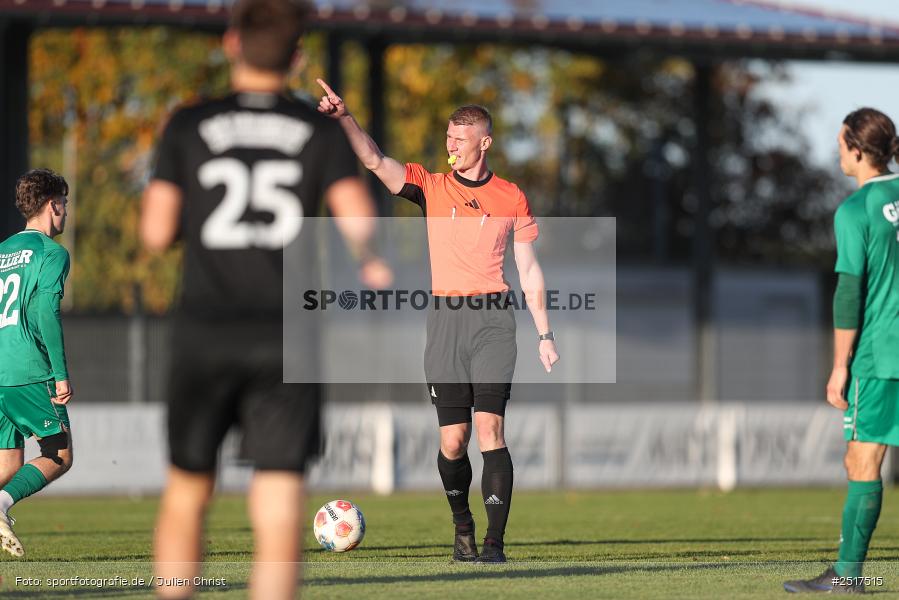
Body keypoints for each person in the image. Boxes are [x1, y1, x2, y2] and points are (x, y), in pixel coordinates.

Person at [141, 1, 386, 598]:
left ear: (231, 43)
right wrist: (370, 261)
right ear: (298, 55)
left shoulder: (188, 124)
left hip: (205, 330)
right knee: (277, 506)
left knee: (187, 495)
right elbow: (359, 220)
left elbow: (154, 232)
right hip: (286, 336)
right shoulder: (318, 131)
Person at [316, 79, 560, 563]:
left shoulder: (512, 196)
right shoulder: (432, 187)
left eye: (460, 139)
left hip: (494, 320)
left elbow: (529, 268)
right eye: (447, 138)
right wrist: (345, 117)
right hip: (445, 321)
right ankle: (462, 525)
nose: (450, 146)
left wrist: (545, 333)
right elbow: (374, 161)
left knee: (491, 431)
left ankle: (494, 544)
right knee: (454, 440)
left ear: (484, 143)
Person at [784, 107, 899, 594]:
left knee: (862, 461)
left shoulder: (856, 211)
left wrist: (838, 368)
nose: (836, 149)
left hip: (882, 354)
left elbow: (849, 294)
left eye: (839, 142)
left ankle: (849, 575)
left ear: (857, 148)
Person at [0, 168, 75, 558]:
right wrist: (60, 374)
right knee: (59, 454)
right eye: (64, 204)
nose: (65, 212)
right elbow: (47, 310)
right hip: (29, 368)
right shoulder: (52, 253)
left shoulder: (1, 252)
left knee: (8, 463)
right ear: (52, 204)